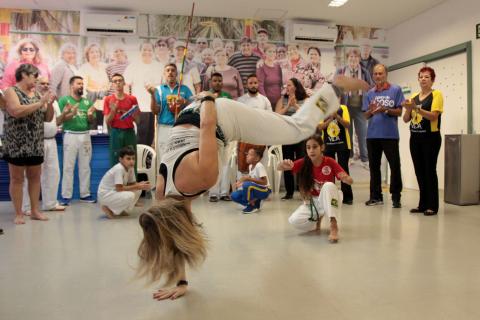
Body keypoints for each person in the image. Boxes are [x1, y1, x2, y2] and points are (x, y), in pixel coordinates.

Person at [137, 75, 369, 300]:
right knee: (291, 128)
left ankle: (334, 88)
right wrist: (181, 282)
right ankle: (332, 90)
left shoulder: (202, 177)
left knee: (297, 128)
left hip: (217, 116)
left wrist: (208, 97)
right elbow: (174, 238)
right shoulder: (162, 194)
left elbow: (208, 125)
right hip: (193, 116)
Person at [2, 64, 54, 224]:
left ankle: (34, 210)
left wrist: (49, 103)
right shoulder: (11, 91)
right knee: (17, 178)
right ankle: (18, 213)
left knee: (35, 177)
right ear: (24, 75)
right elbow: (16, 111)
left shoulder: (37, 94)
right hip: (17, 143)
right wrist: (40, 103)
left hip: (35, 142)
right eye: (34, 77)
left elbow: (48, 118)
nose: (36, 80)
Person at [277, 134, 353, 243]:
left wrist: (346, 179)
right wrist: (282, 164)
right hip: (313, 201)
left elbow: (350, 180)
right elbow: (279, 168)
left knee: (328, 186)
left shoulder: (329, 161)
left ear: (322, 148)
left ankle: (333, 224)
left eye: (315, 147)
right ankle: (318, 218)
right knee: (294, 220)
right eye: (308, 147)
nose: (311, 150)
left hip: (331, 199)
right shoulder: (304, 162)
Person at [22, 77, 68, 213]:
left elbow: (56, 122)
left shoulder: (53, 101)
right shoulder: (32, 99)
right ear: (35, 85)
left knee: (53, 173)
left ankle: (50, 203)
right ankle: (27, 207)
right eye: (42, 83)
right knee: (31, 175)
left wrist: (65, 114)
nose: (45, 86)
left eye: (48, 84)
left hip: (51, 140)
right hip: (35, 141)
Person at [402, 67, 443, 216]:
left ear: (432, 80)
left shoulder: (436, 95)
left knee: (429, 171)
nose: (424, 79)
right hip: (415, 138)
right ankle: (422, 204)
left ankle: (432, 205)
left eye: (427, 77)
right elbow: (406, 119)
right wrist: (408, 108)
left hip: (430, 138)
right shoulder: (414, 96)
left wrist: (416, 108)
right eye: (421, 77)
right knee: (419, 171)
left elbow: (433, 116)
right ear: (418, 79)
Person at [363, 64, 404, 208]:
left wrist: (385, 109)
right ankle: (375, 197)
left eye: (380, 73)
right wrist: (372, 111)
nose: (378, 76)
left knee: (395, 166)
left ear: (386, 74)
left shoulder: (395, 90)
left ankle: (396, 197)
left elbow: (399, 112)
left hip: (390, 135)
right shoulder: (369, 93)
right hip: (372, 136)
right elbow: (365, 115)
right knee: (374, 167)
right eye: (375, 74)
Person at [58, 76, 97, 205]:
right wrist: (71, 113)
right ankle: (66, 196)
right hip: (70, 135)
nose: (81, 86)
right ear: (71, 86)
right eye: (78, 83)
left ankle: (84, 194)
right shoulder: (64, 100)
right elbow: (60, 119)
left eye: (82, 83)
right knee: (68, 166)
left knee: (85, 166)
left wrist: (91, 116)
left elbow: (91, 122)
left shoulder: (87, 102)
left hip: (85, 135)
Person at [336, 48, 373, 167]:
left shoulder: (364, 72)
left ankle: (365, 159)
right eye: (351, 57)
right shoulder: (341, 71)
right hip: (346, 106)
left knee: (363, 133)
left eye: (356, 57)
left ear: (359, 59)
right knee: (348, 133)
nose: (353, 59)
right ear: (347, 59)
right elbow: (335, 86)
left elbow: (370, 87)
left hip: (360, 107)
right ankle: (350, 156)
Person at [148, 63, 193, 160]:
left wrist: (184, 101)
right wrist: (152, 95)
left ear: (176, 73)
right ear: (164, 74)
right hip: (163, 128)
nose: (170, 72)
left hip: (180, 127)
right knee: (163, 158)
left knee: (179, 158)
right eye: (167, 70)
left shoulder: (184, 89)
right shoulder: (159, 90)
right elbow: (155, 111)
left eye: (173, 70)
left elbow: (194, 107)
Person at [124, 41, 163, 146]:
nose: (147, 52)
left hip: (155, 107)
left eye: (149, 50)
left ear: (153, 52)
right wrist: (129, 105)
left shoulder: (159, 66)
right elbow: (126, 85)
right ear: (140, 52)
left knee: (151, 137)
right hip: (140, 108)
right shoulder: (133, 66)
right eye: (144, 50)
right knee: (141, 137)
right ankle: (139, 160)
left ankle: (147, 160)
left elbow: (163, 86)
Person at [275, 78, 308, 200]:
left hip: (301, 136)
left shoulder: (305, 99)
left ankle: (302, 189)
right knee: (287, 163)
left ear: (296, 87)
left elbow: (306, 116)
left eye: (289, 85)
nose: (287, 87)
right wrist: (288, 105)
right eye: (286, 85)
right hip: (287, 136)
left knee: (301, 163)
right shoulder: (282, 100)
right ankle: (289, 192)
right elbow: (277, 115)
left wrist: (295, 105)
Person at [98, 146, 151, 219]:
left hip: (114, 192)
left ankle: (123, 210)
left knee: (138, 190)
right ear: (120, 159)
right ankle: (108, 208)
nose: (132, 161)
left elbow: (132, 184)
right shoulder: (119, 168)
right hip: (106, 194)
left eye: (133, 158)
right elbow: (119, 188)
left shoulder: (130, 168)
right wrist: (138, 186)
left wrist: (141, 184)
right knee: (131, 195)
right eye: (128, 159)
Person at [318, 103, 353, 204]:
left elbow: (347, 124)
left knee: (343, 169)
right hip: (327, 145)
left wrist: (337, 116)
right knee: (328, 171)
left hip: (343, 144)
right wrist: (330, 119)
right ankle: (330, 197)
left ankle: (347, 197)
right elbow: (320, 127)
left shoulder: (343, 108)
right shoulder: (323, 107)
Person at [236, 74, 271, 173]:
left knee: (262, 168)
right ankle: (244, 187)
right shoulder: (241, 100)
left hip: (261, 138)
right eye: (250, 83)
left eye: (255, 83)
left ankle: (261, 187)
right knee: (243, 169)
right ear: (246, 85)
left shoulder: (264, 100)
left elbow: (270, 118)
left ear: (258, 84)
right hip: (245, 138)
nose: (253, 85)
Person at [104, 73, 140, 167]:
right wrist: (113, 110)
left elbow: (138, 121)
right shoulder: (108, 99)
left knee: (131, 160)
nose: (118, 83)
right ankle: (117, 182)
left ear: (124, 83)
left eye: (120, 80)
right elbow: (107, 121)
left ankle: (132, 181)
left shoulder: (132, 99)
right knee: (115, 160)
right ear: (112, 84)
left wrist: (133, 113)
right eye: (115, 81)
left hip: (129, 133)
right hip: (115, 132)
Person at [207, 73, 232, 202]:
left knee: (226, 163)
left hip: (225, 132)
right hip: (211, 132)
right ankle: (213, 192)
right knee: (214, 163)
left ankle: (224, 192)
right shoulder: (206, 96)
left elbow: (231, 113)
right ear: (211, 82)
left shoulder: (227, 96)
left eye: (219, 80)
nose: (217, 83)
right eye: (215, 80)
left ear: (222, 82)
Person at [231, 147, 271, 213]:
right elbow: (250, 179)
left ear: (257, 158)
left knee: (247, 185)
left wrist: (247, 179)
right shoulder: (250, 166)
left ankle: (252, 206)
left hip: (264, 190)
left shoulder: (259, 166)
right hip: (255, 189)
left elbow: (264, 182)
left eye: (250, 155)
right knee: (234, 195)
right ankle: (255, 203)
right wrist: (241, 183)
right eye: (247, 154)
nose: (247, 156)